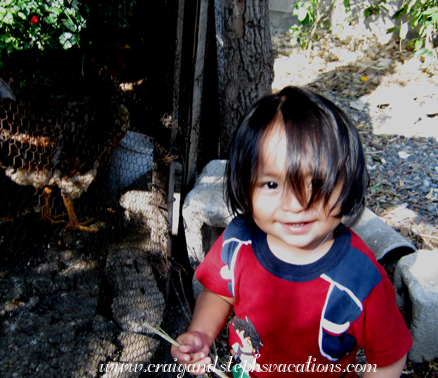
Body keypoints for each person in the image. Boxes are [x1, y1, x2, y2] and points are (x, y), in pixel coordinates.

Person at [171, 86, 413, 377]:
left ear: (348, 179)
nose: (295, 204)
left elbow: (388, 357)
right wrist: (201, 334)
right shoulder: (238, 243)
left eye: (316, 182)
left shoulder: (360, 278)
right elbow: (220, 293)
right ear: (244, 186)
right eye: (271, 184)